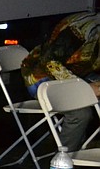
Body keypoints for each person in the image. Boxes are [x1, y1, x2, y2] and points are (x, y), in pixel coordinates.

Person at [21, 11, 100, 152]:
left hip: (76, 74)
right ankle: (64, 161)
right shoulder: (81, 28)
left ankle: (87, 148)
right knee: (81, 113)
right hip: (43, 77)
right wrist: (84, 88)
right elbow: (49, 62)